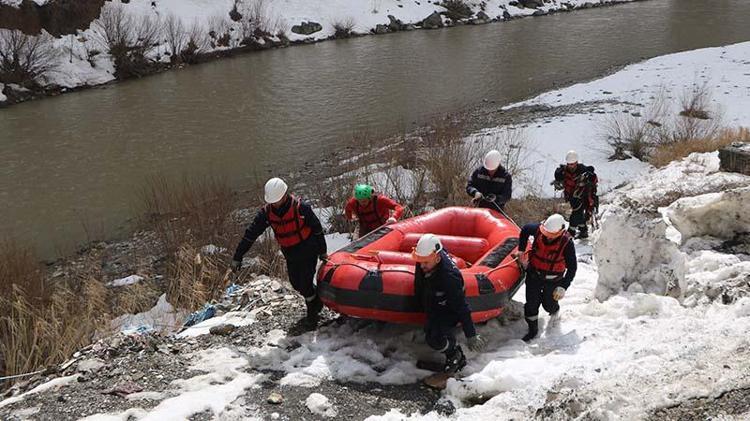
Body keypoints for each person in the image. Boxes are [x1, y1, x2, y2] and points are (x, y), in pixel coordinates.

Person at [230, 177, 327, 329]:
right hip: (289, 252)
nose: (275, 204)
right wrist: (238, 256)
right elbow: (250, 235)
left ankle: (312, 314)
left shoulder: (302, 208)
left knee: (305, 283)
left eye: (277, 200)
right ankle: (317, 299)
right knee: (296, 284)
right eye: (272, 201)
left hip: (307, 248)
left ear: (285, 195)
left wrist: (323, 252)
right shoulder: (266, 213)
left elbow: (317, 229)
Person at [413, 234, 487, 373]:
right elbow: (420, 282)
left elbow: (462, 307)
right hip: (434, 299)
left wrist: (471, 335)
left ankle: (455, 354)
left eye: (425, 263)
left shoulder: (449, 277)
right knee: (429, 331)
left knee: (435, 339)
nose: (421, 265)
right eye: (420, 261)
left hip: (448, 306)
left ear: (437, 258)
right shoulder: (426, 259)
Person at [514, 214, 577, 342]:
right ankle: (532, 330)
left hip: (553, 280)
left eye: (551, 235)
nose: (547, 237)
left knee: (549, 305)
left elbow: (572, 268)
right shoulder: (538, 230)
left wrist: (563, 287)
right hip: (534, 275)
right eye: (546, 234)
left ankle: (555, 310)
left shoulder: (567, 244)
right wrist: (521, 249)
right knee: (531, 304)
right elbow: (525, 229)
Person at [553, 150, 598, 239]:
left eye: (572, 164)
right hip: (571, 196)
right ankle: (583, 230)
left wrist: (591, 176)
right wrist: (558, 176)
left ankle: (570, 232)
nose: (571, 166)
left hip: (583, 196)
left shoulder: (583, 170)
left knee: (576, 213)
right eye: (569, 164)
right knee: (579, 214)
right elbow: (559, 181)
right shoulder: (564, 171)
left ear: (576, 162)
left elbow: (594, 180)